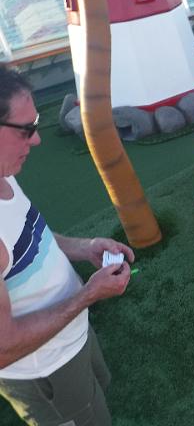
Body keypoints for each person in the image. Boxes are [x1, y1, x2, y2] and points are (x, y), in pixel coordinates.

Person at [0, 64, 133, 425]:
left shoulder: (5, 173)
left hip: (71, 338)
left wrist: (85, 247)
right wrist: (87, 295)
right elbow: (3, 347)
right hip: (46, 368)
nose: (37, 140)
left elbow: (32, 237)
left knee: (99, 393)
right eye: (26, 129)